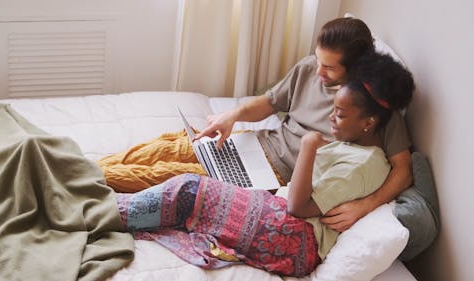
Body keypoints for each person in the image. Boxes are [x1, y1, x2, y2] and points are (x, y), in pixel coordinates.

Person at [115, 52, 415, 277]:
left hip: (294, 237)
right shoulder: (353, 140)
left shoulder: (366, 160)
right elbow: (271, 103)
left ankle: (102, 210)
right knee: (176, 160)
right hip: (284, 216)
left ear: (368, 122)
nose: (330, 118)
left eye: (339, 114)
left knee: (187, 189)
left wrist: (310, 146)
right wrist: (232, 115)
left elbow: (299, 207)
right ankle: (98, 187)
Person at [99, 16, 412, 232]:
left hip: (274, 174)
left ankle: (77, 177)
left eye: (329, 67)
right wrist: (231, 117)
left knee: (167, 176)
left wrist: (366, 205)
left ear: (356, 67)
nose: (318, 72)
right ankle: (77, 167)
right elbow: (269, 103)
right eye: (318, 61)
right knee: (166, 147)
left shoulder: (374, 106)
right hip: (254, 142)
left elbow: (403, 168)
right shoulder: (308, 68)